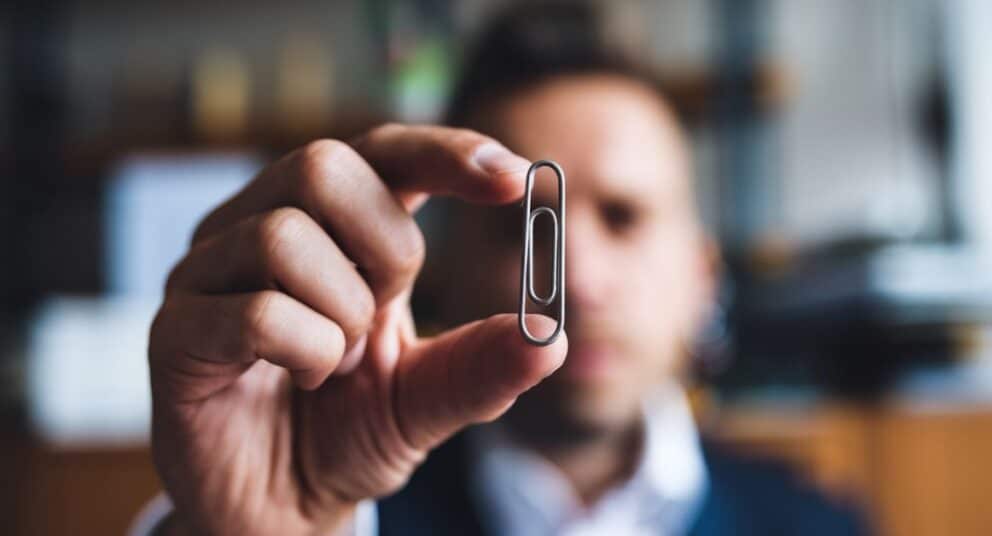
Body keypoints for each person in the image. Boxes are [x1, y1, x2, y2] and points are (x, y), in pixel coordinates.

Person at [142, 4, 868, 535]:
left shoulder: (819, 527)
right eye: (520, 225)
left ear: (702, 273)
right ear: (445, 271)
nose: (577, 279)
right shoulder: (339, 508)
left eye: (624, 216)